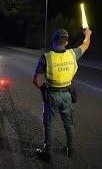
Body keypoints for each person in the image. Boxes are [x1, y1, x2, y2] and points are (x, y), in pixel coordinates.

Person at [33, 28, 92, 161]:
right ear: (66, 42)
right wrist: (87, 34)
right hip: (67, 95)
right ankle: (70, 149)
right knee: (69, 124)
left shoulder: (46, 57)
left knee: (48, 124)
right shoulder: (72, 54)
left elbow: (36, 80)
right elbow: (85, 45)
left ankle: (47, 153)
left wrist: (43, 89)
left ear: (53, 41)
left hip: (52, 95)